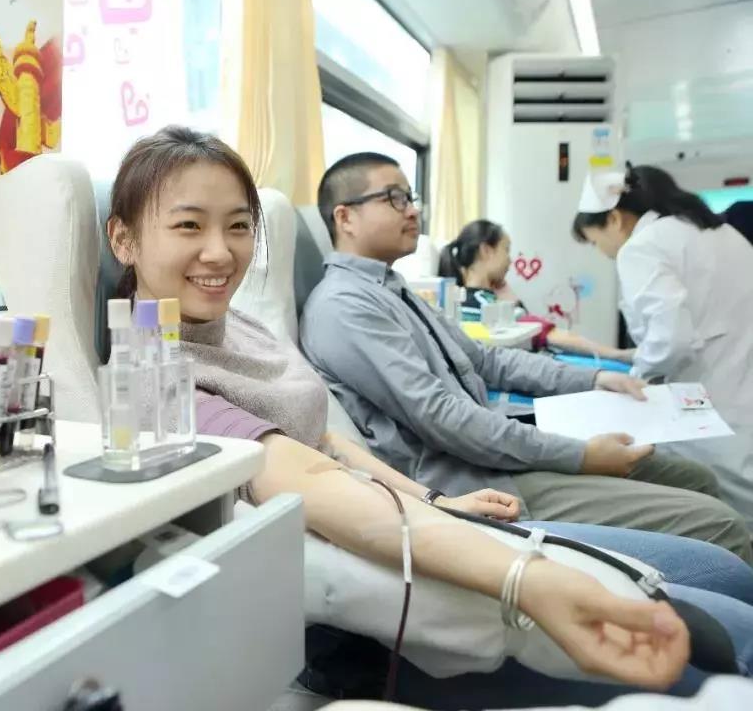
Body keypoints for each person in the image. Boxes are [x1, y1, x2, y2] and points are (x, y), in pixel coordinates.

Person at [101, 126, 753, 704]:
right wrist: (526, 578)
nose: (220, 253)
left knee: (721, 573)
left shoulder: (246, 326)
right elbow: (315, 480)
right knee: (728, 627)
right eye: (189, 226)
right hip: (370, 610)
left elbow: (325, 438)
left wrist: (433, 499)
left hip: (417, 517)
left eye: (239, 226)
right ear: (123, 239)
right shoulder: (154, 376)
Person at [297, 151, 752, 564]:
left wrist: (594, 380)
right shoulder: (345, 306)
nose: (413, 210)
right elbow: (443, 418)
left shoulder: (393, 290)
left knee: (695, 477)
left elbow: (488, 360)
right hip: (477, 481)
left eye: (411, 197)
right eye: (395, 198)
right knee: (722, 524)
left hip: (493, 455)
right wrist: (583, 456)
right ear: (345, 217)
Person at [573, 165, 753, 530]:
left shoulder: (642, 246)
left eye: (594, 241)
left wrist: (637, 376)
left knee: (727, 502)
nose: (602, 252)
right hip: (739, 376)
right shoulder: (720, 232)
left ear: (614, 219)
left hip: (711, 395)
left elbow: (672, 338)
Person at [437, 219, 633, 362]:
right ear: (486, 251)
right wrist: (618, 354)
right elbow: (550, 335)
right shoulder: (487, 305)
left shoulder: (459, 302)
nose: (510, 260)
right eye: (506, 250)